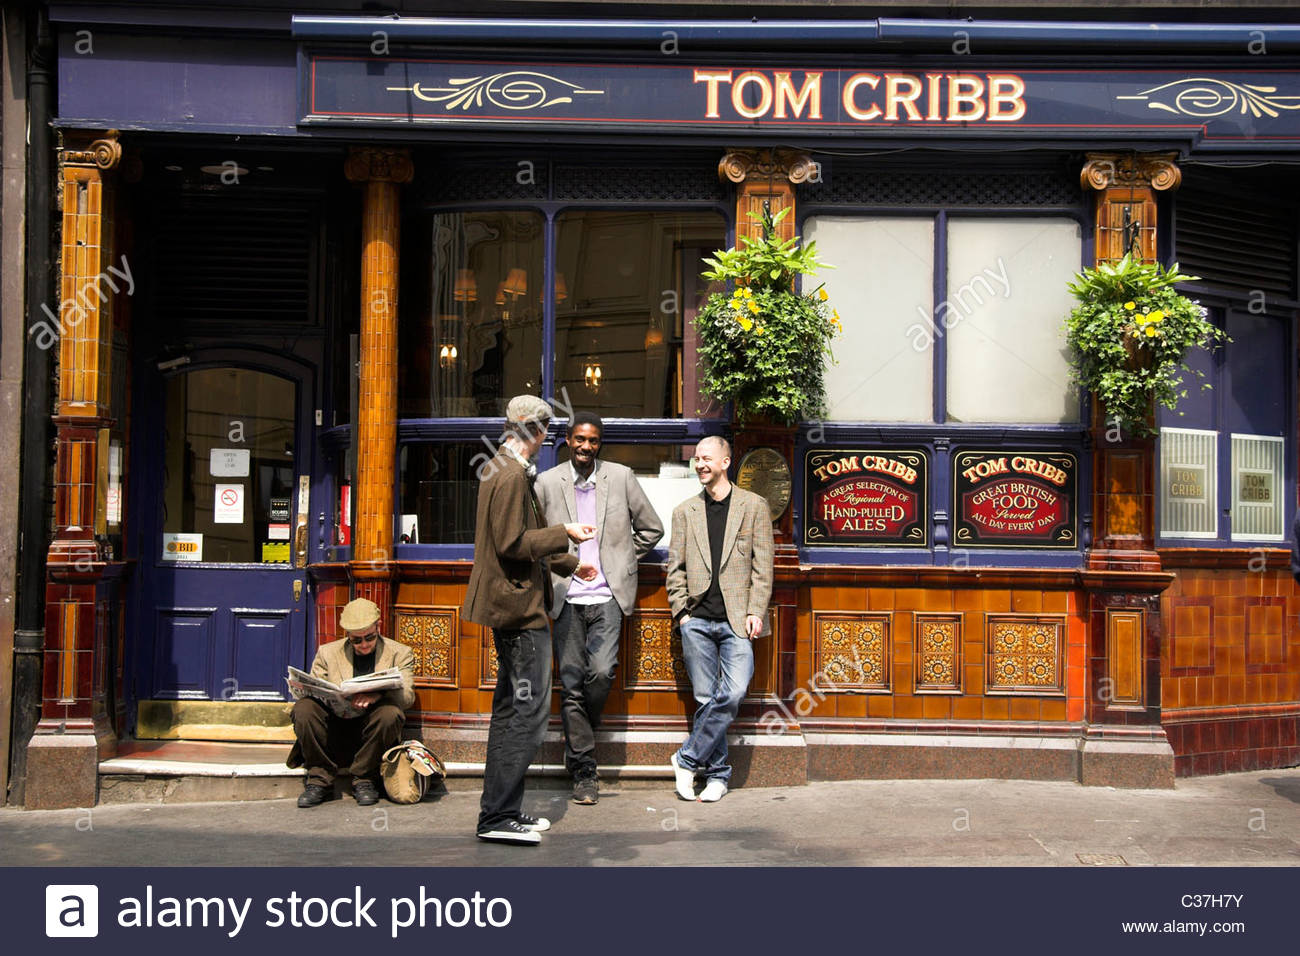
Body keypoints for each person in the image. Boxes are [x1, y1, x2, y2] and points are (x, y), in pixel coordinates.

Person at [463, 395, 599, 845]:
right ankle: (499, 818)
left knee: (510, 711)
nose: (547, 441)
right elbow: (510, 543)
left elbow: (517, 542)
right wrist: (567, 533)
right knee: (528, 712)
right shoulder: (507, 474)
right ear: (535, 432)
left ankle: (501, 811)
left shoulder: (501, 468)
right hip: (519, 612)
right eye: (548, 432)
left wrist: (568, 563)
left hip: (514, 606)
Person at [535, 412, 664, 805]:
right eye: (579, 439)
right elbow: (534, 538)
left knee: (602, 672)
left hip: (608, 597)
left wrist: (623, 559)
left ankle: (577, 739)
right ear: (568, 441)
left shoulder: (621, 477)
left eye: (592, 441)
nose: (585, 447)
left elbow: (652, 528)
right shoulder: (545, 482)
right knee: (571, 683)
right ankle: (585, 771)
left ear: (599, 443)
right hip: (566, 597)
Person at [665, 436, 774, 803]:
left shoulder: (753, 506)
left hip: (736, 622)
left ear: (726, 462)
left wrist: (755, 611)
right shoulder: (684, 512)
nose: (700, 465)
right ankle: (717, 776)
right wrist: (681, 613)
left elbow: (763, 567)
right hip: (695, 620)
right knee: (705, 698)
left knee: (732, 693)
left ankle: (686, 759)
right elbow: (674, 568)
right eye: (696, 459)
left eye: (706, 459)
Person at [288, 597, 416, 808]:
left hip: (371, 731)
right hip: (334, 726)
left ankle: (364, 778)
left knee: (390, 714)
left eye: (369, 638)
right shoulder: (327, 652)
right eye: (357, 640)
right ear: (347, 635)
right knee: (303, 709)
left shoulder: (399, 653)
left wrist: (377, 695)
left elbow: (407, 697)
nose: (364, 645)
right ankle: (319, 780)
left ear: (378, 626)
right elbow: (311, 693)